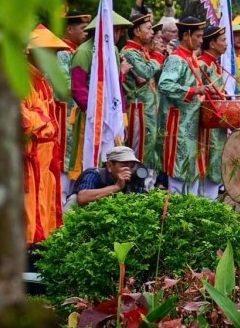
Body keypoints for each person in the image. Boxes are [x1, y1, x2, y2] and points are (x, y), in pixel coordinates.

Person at [67, 10, 132, 185]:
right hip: (90, 117)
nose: (117, 35)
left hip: (111, 116)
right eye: (115, 30)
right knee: (87, 158)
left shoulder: (114, 51)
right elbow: (78, 89)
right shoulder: (84, 52)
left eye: (119, 31)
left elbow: (118, 87)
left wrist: (122, 117)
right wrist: (95, 113)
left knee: (112, 158)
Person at [158, 17, 217, 197]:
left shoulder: (190, 57)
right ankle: (177, 217)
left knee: (191, 172)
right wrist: (194, 90)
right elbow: (165, 84)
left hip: (191, 124)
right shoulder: (176, 59)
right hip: (179, 126)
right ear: (186, 35)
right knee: (179, 172)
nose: (201, 40)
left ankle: (190, 218)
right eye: (198, 36)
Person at [22, 24, 68, 245]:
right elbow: (22, 120)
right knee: (30, 207)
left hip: (46, 156)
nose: (54, 59)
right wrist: (44, 121)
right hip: (30, 157)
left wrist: (41, 119)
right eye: (50, 53)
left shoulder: (42, 81)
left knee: (45, 203)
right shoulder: (22, 80)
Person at [56, 10, 90, 195]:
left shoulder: (77, 52)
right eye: (83, 29)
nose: (86, 33)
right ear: (69, 29)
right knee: (66, 161)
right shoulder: (61, 53)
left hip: (77, 116)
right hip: (65, 114)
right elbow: (65, 85)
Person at [122, 11, 161, 172]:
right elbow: (145, 72)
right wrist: (157, 56)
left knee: (150, 146)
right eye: (149, 29)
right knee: (139, 148)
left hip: (148, 109)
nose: (152, 32)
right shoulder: (129, 52)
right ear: (137, 31)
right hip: (138, 110)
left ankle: (147, 184)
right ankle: (136, 185)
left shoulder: (140, 52)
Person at [196, 25, 230, 194]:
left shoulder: (214, 64)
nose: (226, 44)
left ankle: (212, 197)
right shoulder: (202, 63)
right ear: (212, 44)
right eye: (223, 40)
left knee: (217, 157)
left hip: (217, 123)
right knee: (208, 159)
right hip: (207, 125)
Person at [70, 145, 147, 208]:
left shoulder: (132, 178)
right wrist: (117, 187)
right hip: (85, 216)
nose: (129, 170)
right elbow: (82, 197)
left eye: (132, 167)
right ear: (109, 166)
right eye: (124, 166)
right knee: (73, 198)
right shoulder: (95, 174)